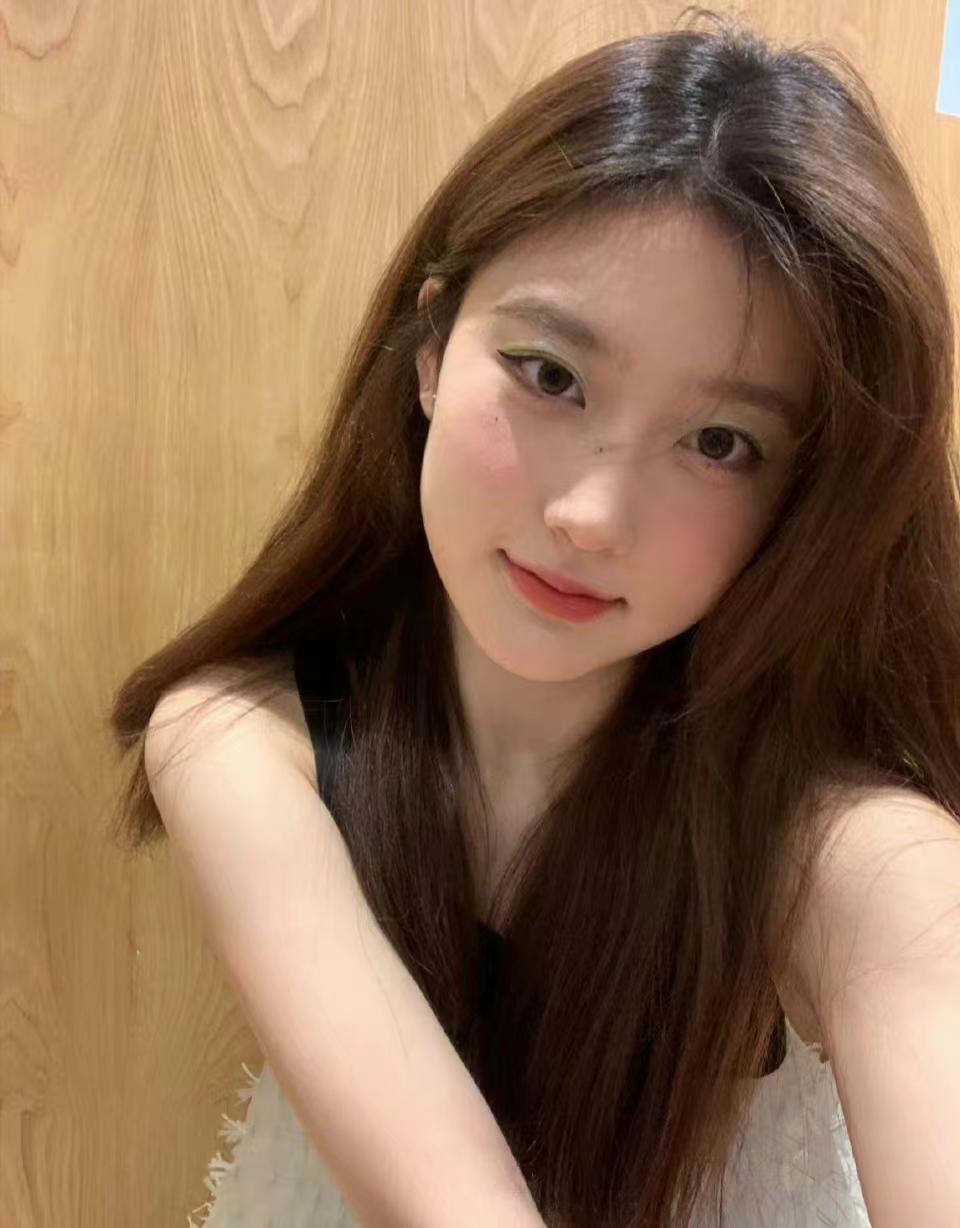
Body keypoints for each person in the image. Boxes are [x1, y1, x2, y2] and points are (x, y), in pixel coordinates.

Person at [109, 9, 960, 1227]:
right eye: (550, 375)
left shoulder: (852, 860)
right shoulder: (243, 738)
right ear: (430, 347)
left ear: (803, 495)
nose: (592, 516)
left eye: (720, 442)